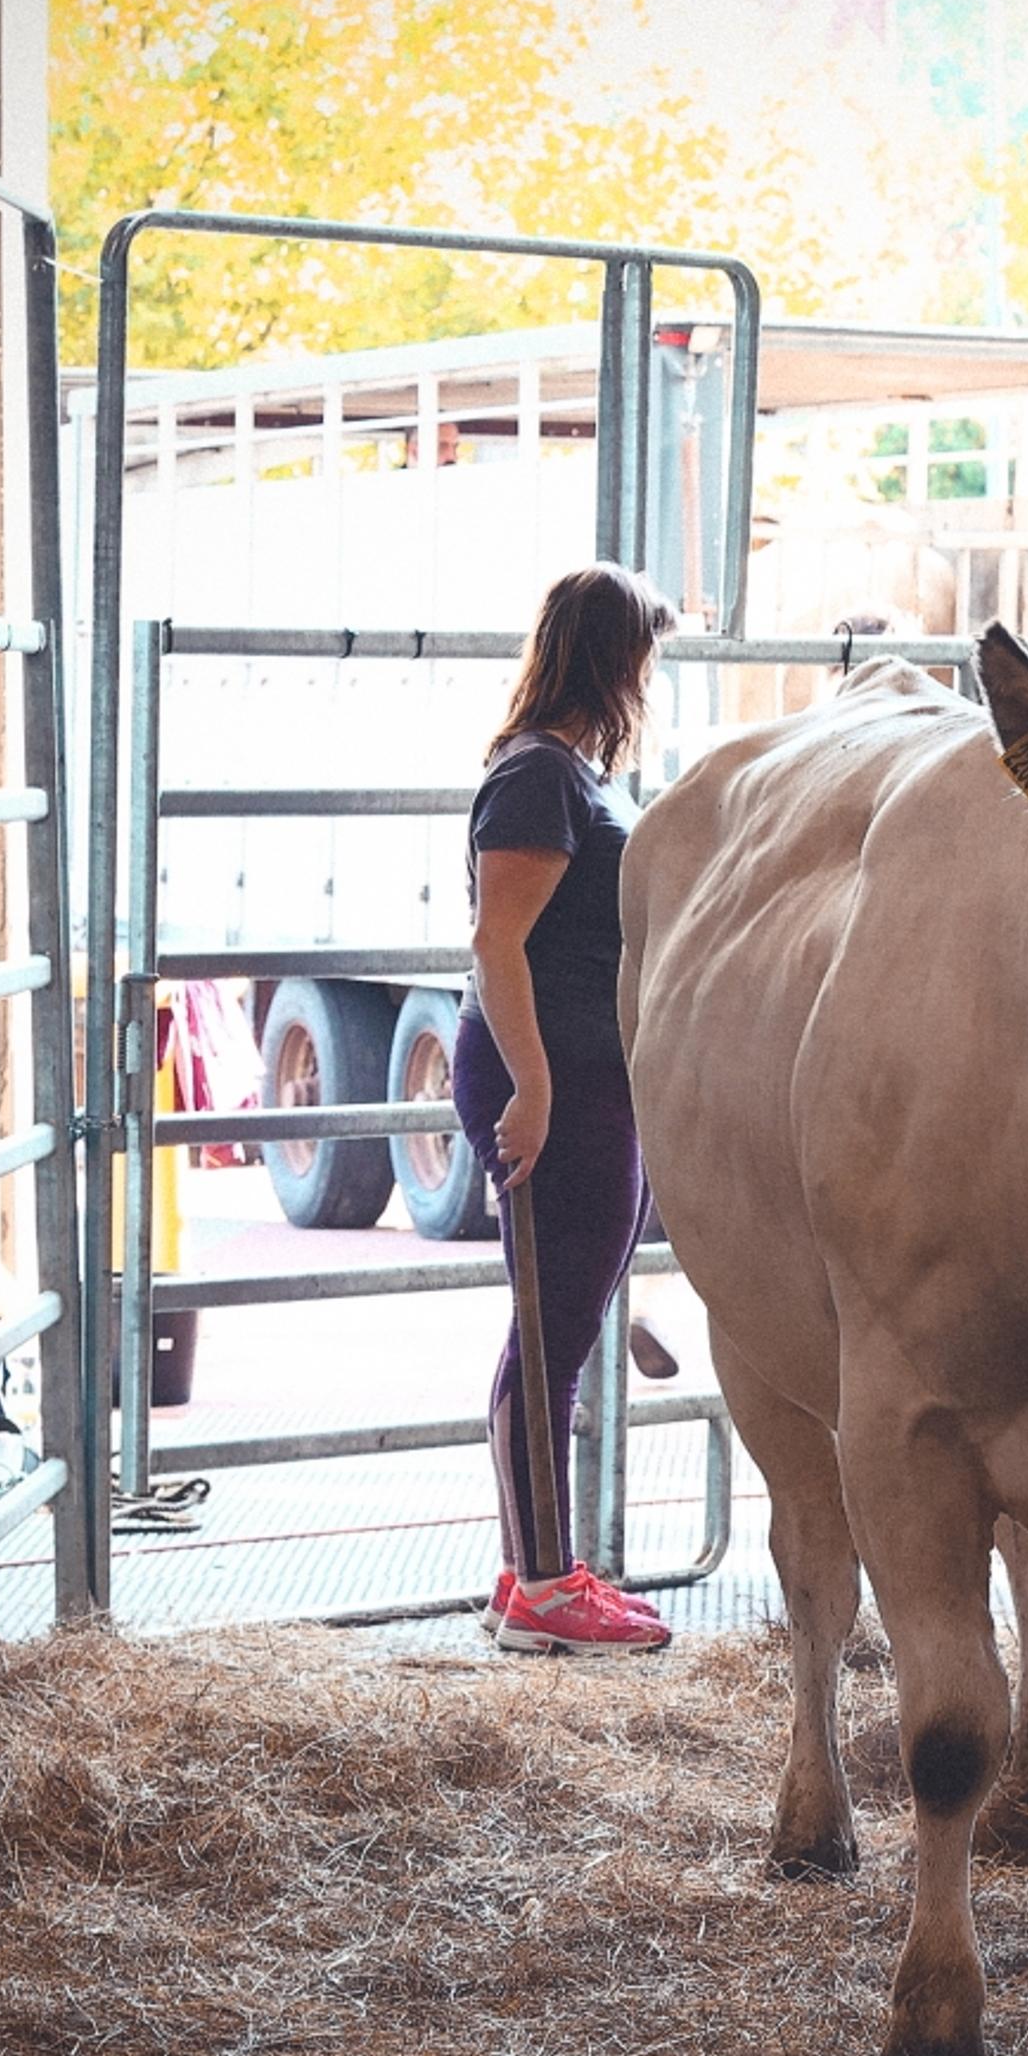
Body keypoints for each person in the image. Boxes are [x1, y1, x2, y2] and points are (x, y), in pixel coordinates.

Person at [456, 564, 681, 1654]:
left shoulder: (562, 773)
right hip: (553, 1072)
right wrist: (535, 1089)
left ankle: (534, 1574)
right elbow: (497, 943)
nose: (649, 678)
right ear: (611, 659)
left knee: (562, 1326)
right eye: (644, 656)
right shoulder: (540, 777)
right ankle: (545, 1589)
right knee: (550, 1335)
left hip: (582, 1070)